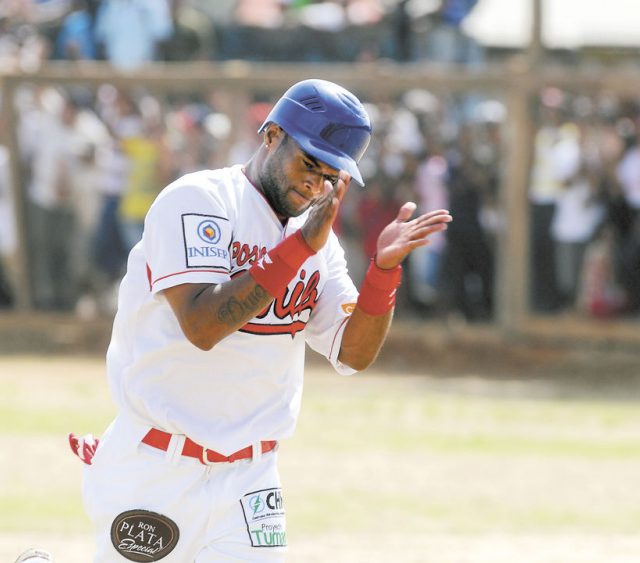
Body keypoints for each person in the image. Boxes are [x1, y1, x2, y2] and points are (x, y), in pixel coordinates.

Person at [73, 79, 452, 562]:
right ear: (271, 135)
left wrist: (382, 272)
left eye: (331, 174)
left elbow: (353, 354)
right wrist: (296, 251)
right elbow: (202, 326)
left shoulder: (317, 243)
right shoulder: (200, 200)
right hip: (155, 466)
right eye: (308, 163)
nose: (316, 184)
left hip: (251, 480)